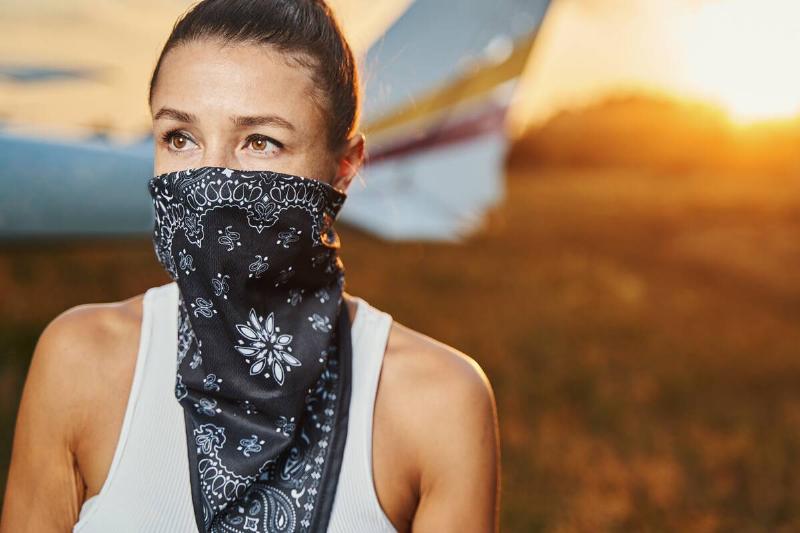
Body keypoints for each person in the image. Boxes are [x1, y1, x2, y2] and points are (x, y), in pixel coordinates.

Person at [0, 1, 500, 532]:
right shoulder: (78, 361)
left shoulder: (438, 403)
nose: (210, 182)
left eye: (260, 141)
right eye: (180, 138)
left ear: (344, 168)